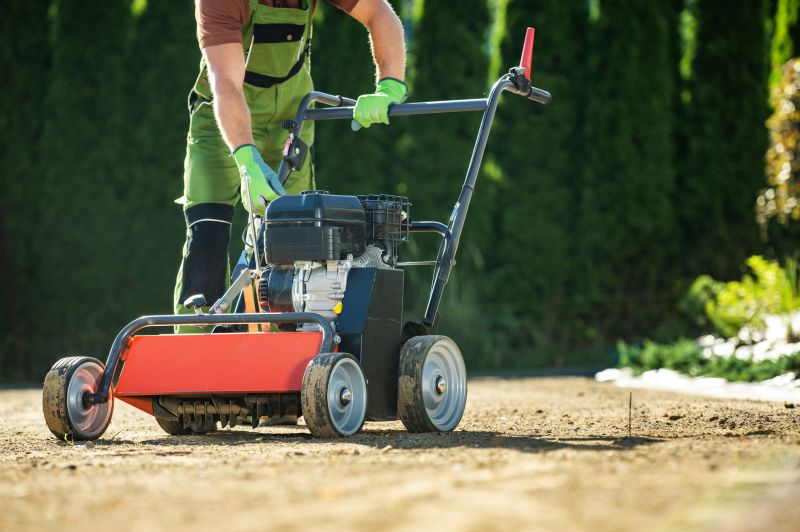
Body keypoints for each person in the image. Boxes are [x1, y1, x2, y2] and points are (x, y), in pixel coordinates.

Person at [174, 0, 407, 331]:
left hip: (291, 118)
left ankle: (284, 347)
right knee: (206, 236)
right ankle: (192, 350)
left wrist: (389, 85)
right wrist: (246, 159)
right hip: (221, 122)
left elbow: (379, 13)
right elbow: (225, 82)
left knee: (293, 242)